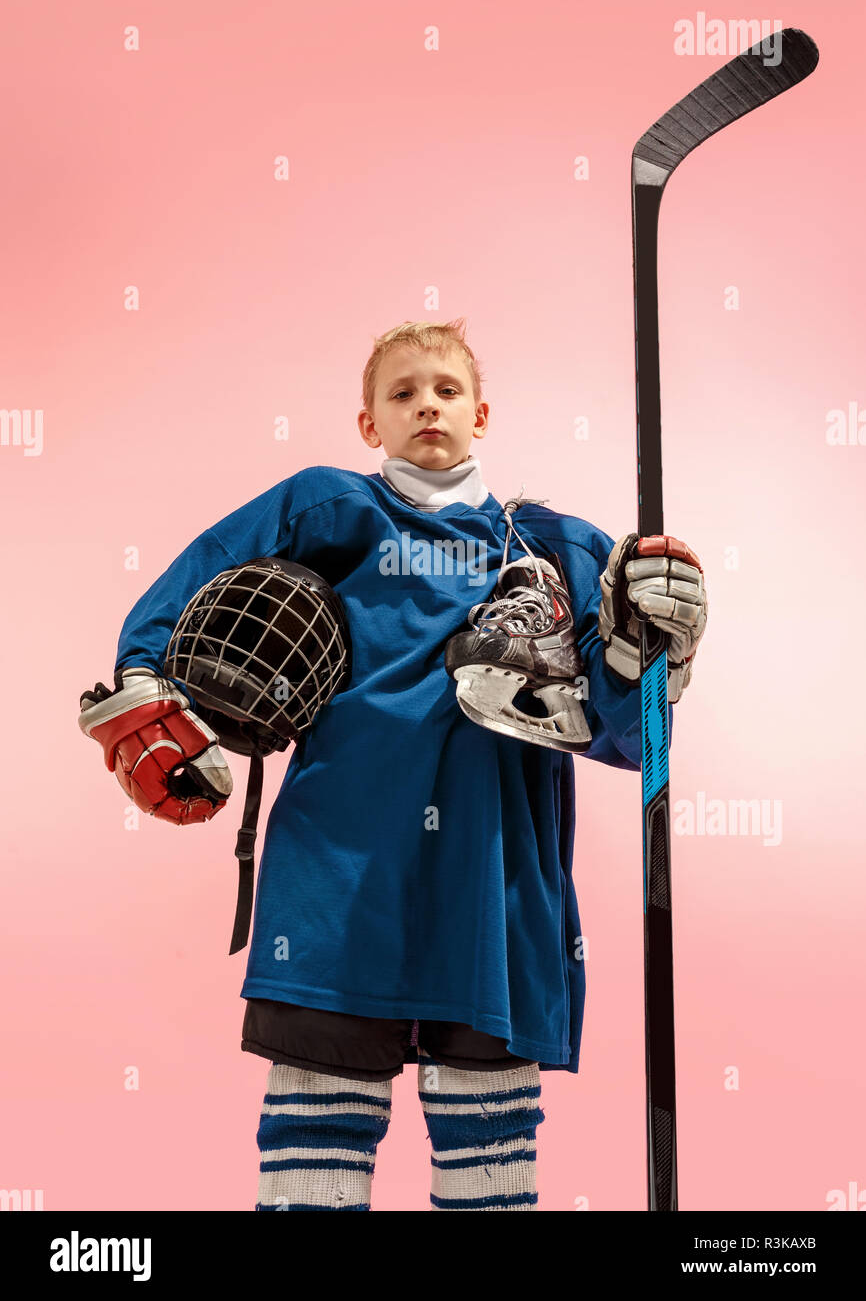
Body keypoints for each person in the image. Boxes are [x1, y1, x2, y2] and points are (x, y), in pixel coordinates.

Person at [79, 318, 707, 1211]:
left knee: (487, 1132)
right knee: (317, 1120)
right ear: (369, 423)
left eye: (446, 391)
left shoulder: (557, 550)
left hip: (494, 871)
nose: (427, 407)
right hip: (339, 864)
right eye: (403, 393)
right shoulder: (330, 508)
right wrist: (145, 676)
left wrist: (652, 657)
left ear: (481, 414)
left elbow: (630, 741)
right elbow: (195, 580)